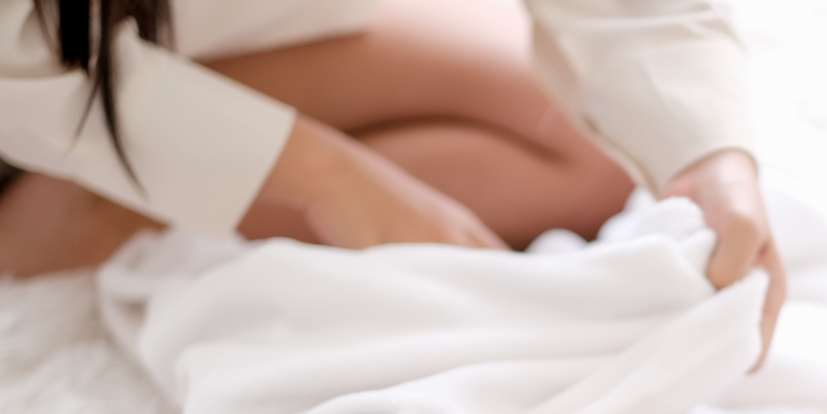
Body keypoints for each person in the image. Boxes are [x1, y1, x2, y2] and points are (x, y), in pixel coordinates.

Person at [0, 0, 786, 361]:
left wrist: (711, 154)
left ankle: (142, 171)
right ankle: (88, 198)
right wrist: (327, 177)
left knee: (601, 148)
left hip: (180, 25)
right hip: (35, 70)